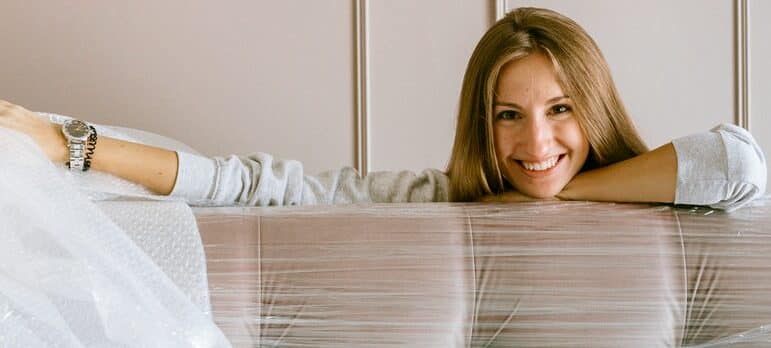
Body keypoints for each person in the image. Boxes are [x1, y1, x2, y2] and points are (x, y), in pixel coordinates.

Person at [0, 7, 766, 211]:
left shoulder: (675, 195)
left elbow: (736, 164)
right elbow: (245, 183)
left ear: (593, 107)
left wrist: (566, 196)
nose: (535, 141)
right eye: (507, 115)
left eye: (559, 108)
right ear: (479, 122)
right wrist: (70, 143)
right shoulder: (429, 200)